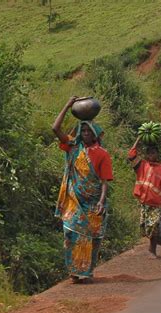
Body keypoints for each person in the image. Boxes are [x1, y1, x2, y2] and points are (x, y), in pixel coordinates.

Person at [52, 96, 113, 284]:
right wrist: (68, 105)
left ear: (95, 134)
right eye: (83, 130)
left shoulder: (102, 154)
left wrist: (102, 201)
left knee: (92, 239)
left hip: (93, 201)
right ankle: (74, 271)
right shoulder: (72, 147)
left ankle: (85, 271)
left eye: (88, 130)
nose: (85, 133)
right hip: (74, 200)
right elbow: (55, 128)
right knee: (70, 233)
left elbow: (104, 181)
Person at [128, 137, 161, 259]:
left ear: (158, 154)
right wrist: (138, 140)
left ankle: (152, 250)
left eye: (153, 153)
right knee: (146, 227)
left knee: (154, 226)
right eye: (149, 153)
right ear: (146, 154)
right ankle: (150, 246)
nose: (151, 155)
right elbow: (131, 155)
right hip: (144, 202)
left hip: (156, 204)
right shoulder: (141, 165)